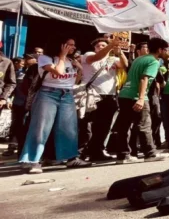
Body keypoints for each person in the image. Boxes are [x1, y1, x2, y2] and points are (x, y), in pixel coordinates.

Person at [19, 37, 90, 173]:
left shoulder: (71, 61)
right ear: (61, 45)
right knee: (41, 128)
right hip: (48, 93)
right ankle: (33, 161)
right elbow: (58, 72)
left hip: (67, 94)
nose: (73, 48)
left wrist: (79, 70)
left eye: (74, 45)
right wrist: (62, 56)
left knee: (69, 128)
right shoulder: (45, 58)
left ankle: (70, 158)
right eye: (69, 45)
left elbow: (74, 79)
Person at [112, 38, 169, 164]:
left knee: (124, 126)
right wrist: (141, 98)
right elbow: (144, 79)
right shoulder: (154, 62)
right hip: (136, 96)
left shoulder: (139, 59)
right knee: (144, 124)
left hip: (124, 94)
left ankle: (123, 156)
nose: (167, 53)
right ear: (160, 50)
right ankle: (150, 153)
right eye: (165, 50)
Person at [78, 36, 126, 161]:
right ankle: (81, 152)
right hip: (92, 95)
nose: (101, 47)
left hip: (109, 95)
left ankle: (96, 151)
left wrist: (119, 51)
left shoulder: (112, 59)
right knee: (87, 125)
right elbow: (96, 57)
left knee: (104, 126)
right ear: (94, 48)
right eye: (98, 46)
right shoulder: (88, 55)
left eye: (103, 45)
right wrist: (110, 45)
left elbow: (124, 64)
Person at [3, 55, 29, 157]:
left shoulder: (38, 73)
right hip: (18, 103)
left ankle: (22, 149)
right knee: (15, 125)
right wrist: (8, 99)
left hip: (31, 104)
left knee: (26, 126)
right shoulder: (18, 74)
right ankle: (12, 147)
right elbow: (11, 86)